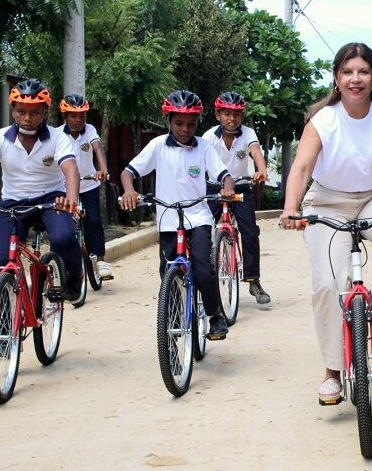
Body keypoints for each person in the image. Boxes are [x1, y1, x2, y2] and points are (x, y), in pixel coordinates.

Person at [279, 42, 372, 404]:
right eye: (347, 72)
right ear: (336, 78)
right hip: (327, 201)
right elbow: (301, 167)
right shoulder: (322, 119)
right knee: (329, 284)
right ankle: (332, 371)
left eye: (363, 71)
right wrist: (290, 208)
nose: (355, 79)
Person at [0, 78, 82, 299]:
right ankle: (2, 322)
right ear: (13, 110)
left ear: (44, 111)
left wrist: (70, 199)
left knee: (63, 238)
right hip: (14, 203)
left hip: (52, 200)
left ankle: (73, 278)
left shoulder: (57, 137)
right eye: (21, 111)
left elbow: (70, 168)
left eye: (34, 113)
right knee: (2, 260)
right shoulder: (0, 137)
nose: (27, 118)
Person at [118, 90, 232, 340]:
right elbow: (129, 172)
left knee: (203, 266)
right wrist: (129, 190)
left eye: (191, 124)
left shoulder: (203, 146)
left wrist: (227, 188)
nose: (185, 129)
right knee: (168, 273)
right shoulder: (158, 145)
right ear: (168, 121)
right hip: (168, 220)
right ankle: (172, 323)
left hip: (198, 217)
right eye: (179, 123)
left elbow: (223, 174)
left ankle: (215, 316)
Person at [202, 91, 271, 304]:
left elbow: (256, 152)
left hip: (241, 187)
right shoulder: (208, 137)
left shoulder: (248, 134)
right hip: (214, 188)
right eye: (227, 114)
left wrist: (261, 170)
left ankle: (253, 281)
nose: (232, 119)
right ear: (218, 115)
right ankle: (201, 275)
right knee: (202, 230)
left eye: (237, 114)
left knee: (249, 232)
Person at [59, 94, 113, 281]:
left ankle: (100, 260)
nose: (78, 120)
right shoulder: (57, 134)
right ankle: (63, 265)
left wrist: (103, 170)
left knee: (93, 221)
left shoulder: (89, 130)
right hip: (66, 187)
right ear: (65, 116)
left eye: (82, 115)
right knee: (63, 226)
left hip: (89, 184)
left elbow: (97, 148)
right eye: (73, 116)